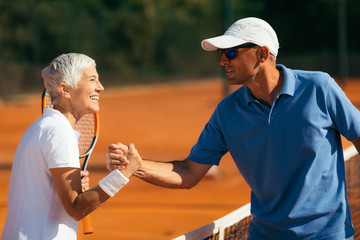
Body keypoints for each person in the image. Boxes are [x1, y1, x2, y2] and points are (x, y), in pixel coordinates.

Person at [107, 17, 360, 239]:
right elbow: (189, 171)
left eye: (230, 53)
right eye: (219, 54)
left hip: (328, 235)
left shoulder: (319, 88)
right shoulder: (227, 112)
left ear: (262, 54)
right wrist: (138, 166)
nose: (222, 61)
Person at [1, 53, 142, 240]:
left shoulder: (41, 127)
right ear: (65, 89)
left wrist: (78, 188)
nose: (100, 87)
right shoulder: (60, 132)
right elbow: (76, 208)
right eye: (92, 80)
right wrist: (123, 174)